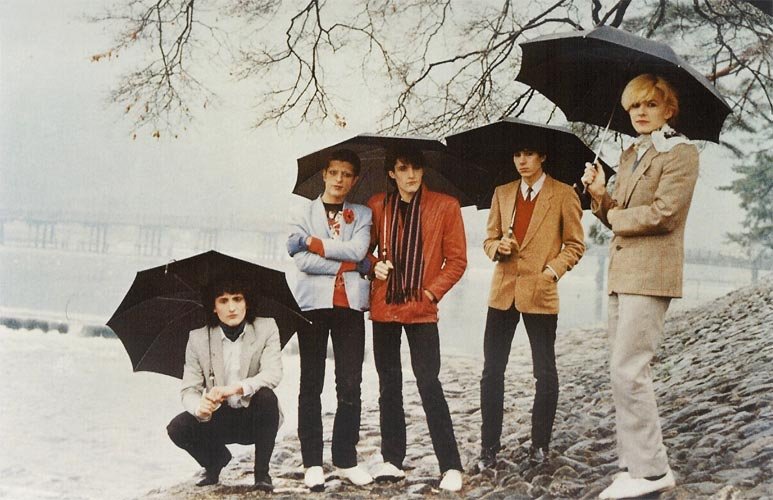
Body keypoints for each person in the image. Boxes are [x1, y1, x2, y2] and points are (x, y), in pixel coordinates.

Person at [582, 73, 699, 499]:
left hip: (651, 275)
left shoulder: (681, 153)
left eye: (651, 104)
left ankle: (652, 472)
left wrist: (614, 216)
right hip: (622, 273)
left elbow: (665, 214)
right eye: (634, 106)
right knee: (621, 368)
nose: (641, 113)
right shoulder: (631, 153)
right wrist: (599, 195)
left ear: (669, 109)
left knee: (629, 368)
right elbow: (616, 214)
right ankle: (633, 463)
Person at [478, 145, 585, 470]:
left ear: (543, 157)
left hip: (540, 291)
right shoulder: (502, 193)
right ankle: (489, 447)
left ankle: (540, 445)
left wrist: (551, 271)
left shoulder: (563, 194)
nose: (522, 161)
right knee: (492, 371)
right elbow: (488, 240)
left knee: (545, 372)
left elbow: (575, 244)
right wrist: (498, 247)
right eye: (516, 155)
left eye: (528, 154)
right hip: (503, 292)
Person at [367, 144, 467, 492]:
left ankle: (450, 465)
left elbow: (457, 260)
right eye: (402, 168)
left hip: (422, 309)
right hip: (384, 307)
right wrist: (373, 266)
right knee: (388, 385)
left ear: (423, 170)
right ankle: (392, 461)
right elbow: (364, 250)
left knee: (428, 383)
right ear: (391, 173)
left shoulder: (446, 206)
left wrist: (431, 292)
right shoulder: (377, 206)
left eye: (416, 168)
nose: (411, 175)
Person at [286, 148, 374, 491]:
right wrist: (352, 265)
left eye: (347, 174)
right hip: (311, 305)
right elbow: (303, 262)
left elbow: (359, 249)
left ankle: (345, 459)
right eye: (334, 172)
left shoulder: (362, 213)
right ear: (324, 174)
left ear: (355, 179)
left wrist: (311, 242)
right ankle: (311, 462)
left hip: (350, 305)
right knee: (311, 383)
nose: (339, 180)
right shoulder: (302, 212)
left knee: (350, 383)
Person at [166, 278, 282, 492]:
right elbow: (189, 389)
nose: (231, 308)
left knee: (267, 397)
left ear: (246, 302)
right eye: (223, 300)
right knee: (177, 428)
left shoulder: (267, 327)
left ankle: (262, 474)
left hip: (254, 417)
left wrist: (235, 388)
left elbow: (273, 374)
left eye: (237, 299)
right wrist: (199, 407)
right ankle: (215, 462)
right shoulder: (197, 338)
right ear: (214, 306)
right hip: (220, 418)